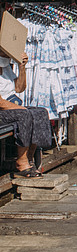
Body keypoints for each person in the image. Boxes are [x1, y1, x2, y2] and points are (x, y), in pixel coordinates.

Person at [0, 49, 53, 177]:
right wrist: (21, 110)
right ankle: (21, 162)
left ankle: (29, 157)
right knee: (24, 114)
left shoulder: (5, 66)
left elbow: (19, 88)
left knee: (40, 112)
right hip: (2, 109)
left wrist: (22, 67)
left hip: (10, 106)